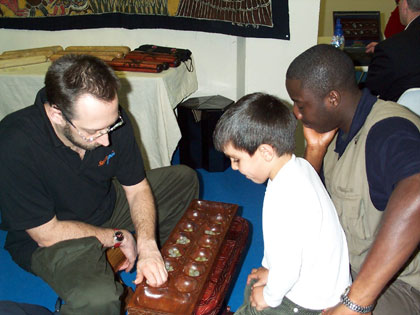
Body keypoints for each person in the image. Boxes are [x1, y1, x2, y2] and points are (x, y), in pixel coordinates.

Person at [0, 54, 199, 314]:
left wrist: (148, 244)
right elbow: (45, 234)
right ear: (56, 114)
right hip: (53, 235)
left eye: (110, 125)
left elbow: (137, 188)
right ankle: (84, 286)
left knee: (184, 179)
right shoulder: (14, 143)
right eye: (93, 132)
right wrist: (116, 237)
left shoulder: (108, 123)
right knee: (99, 299)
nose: (106, 141)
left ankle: (147, 261)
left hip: (105, 205)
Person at [286, 44, 420, 315]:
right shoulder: (336, 132)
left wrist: (355, 303)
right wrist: (314, 152)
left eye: (301, 105)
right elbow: (306, 215)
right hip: (349, 266)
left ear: (332, 99)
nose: (296, 113)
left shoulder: (388, 131)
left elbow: (417, 192)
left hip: (402, 284)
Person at [213, 93, 351, 314]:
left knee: (251, 304)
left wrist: (269, 296)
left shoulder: (286, 198)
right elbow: (288, 249)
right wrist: (269, 270)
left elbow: (288, 267)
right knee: (254, 284)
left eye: (236, 159)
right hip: (322, 281)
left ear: (266, 152)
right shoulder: (299, 168)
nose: (234, 167)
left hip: (309, 302)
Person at [365, 0, 420, 101]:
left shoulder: (389, 49)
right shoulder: (390, 48)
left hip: (401, 114)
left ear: (404, 3)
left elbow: (369, 95)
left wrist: (386, 49)